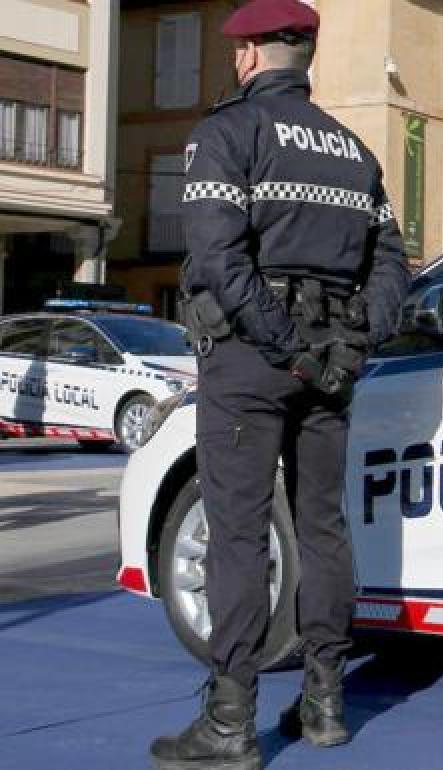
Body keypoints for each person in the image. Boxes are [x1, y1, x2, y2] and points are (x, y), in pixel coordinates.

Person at [149, 1, 409, 768]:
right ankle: (325, 704)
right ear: (307, 55)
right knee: (323, 528)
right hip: (328, 363)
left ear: (251, 55)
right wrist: (351, 344)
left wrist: (288, 347)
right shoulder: (353, 150)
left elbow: (220, 262)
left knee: (237, 532)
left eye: (238, 49)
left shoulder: (226, 135)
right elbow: (393, 261)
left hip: (254, 362)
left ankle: (231, 723)